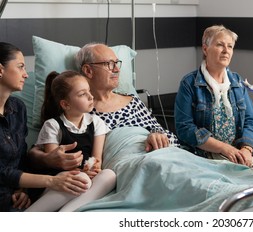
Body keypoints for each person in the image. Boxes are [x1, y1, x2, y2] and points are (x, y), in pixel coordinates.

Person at [28, 43, 180, 172]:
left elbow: (168, 136)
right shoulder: (77, 110)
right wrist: (48, 159)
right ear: (88, 70)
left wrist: (157, 135)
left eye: (117, 63)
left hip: (159, 156)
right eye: (110, 64)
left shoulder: (133, 101)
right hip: (127, 167)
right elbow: (37, 151)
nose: (117, 69)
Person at [0, 42, 89, 212]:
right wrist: (50, 181)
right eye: (20, 67)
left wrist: (22, 189)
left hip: (19, 195)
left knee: (78, 179)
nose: (26, 74)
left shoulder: (18, 108)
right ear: (0, 70)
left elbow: (21, 158)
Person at [174, 25, 253, 168]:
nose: (226, 51)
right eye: (220, 45)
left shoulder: (236, 82)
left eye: (230, 46)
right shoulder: (189, 84)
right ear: (205, 49)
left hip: (236, 156)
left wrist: (247, 149)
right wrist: (224, 148)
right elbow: (185, 128)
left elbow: (251, 121)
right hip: (202, 158)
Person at [25, 71, 116, 212]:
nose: (91, 97)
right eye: (82, 94)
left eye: (89, 91)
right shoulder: (53, 125)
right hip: (58, 180)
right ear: (66, 104)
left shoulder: (96, 122)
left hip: (84, 180)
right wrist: (81, 172)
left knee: (109, 175)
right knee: (81, 178)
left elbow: (96, 158)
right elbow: (54, 163)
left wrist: (93, 168)